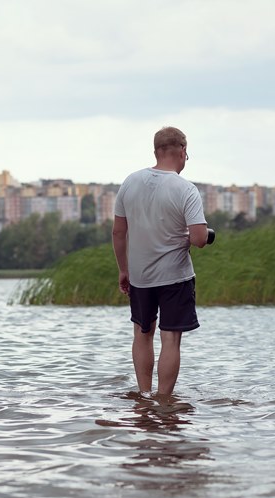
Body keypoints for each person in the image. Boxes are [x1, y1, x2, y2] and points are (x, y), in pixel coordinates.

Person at [112, 126, 209, 398]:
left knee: (142, 334)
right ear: (182, 152)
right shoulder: (185, 189)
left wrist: (123, 270)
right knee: (170, 339)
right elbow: (200, 238)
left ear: (156, 152)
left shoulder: (130, 182)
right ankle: (164, 400)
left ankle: (143, 396)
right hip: (175, 276)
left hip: (140, 276)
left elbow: (119, 232)